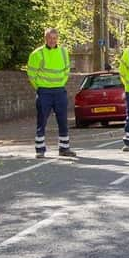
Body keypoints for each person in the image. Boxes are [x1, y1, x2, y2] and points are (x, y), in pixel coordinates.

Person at [27, 28, 76, 159]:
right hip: (44, 92)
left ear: (57, 39)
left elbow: (67, 70)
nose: (53, 41)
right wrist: (39, 87)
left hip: (60, 91)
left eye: (55, 38)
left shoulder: (64, 52)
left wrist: (62, 82)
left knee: (63, 121)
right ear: (45, 38)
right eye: (50, 38)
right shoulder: (37, 54)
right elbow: (31, 74)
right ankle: (40, 149)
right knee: (42, 121)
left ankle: (64, 148)